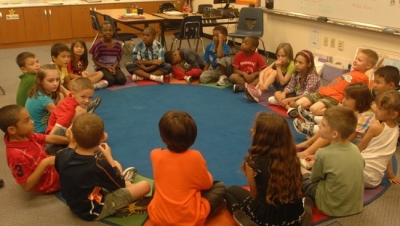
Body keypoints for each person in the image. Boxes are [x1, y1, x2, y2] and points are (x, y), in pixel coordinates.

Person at [55, 113, 151, 220]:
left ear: (72, 136)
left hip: (75, 202)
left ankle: (126, 183)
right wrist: (109, 157)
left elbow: (66, 171)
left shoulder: (60, 154)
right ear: (102, 138)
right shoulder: (99, 165)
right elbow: (119, 184)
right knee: (144, 185)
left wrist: (71, 143)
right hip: (92, 210)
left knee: (115, 169)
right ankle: (123, 204)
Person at [224, 112, 311, 226]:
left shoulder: (253, 162)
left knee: (230, 191)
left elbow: (254, 194)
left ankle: (244, 219)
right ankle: (303, 218)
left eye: (255, 128)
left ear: (262, 136)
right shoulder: (292, 157)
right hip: (293, 212)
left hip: (266, 216)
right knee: (304, 202)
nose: (252, 130)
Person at [148, 110, 227, 225]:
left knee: (157, 184)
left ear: (163, 138)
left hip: (158, 217)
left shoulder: (155, 154)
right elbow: (207, 184)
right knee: (220, 186)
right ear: (192, 138)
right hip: (188, 220)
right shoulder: (195, 157)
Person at [301, 106, 365, 217]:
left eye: (323, 125)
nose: (319, 126)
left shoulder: (323, 154)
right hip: (355, 206)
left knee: (301, 173)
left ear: (334, 134)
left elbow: (314, 179)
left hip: (329, 207)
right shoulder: (355, 148)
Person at [296, 83, 375, 166]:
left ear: (360, 102)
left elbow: (345, 140)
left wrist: (318, 155)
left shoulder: (364, 117)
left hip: (355, 146)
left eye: (347, 98)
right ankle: (308, 143)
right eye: (344, 97)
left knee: (332, 129)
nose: (343, 100)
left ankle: (308, 153)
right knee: (330, 125)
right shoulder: (356, 109)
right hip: (346, 139)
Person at [287, 49, 379, 118]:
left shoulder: (364, 78)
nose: (355, 61)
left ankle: (334, 111)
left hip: (335, 97)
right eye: (356, 58)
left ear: (368, 65)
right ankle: (310, 110)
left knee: (314, 109)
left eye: (359, 60)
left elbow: (360, 94)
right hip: (324, 91)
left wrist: (344, 104)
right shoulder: (351, 72)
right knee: (298, 103)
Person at [0, 105, 68, 193]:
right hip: (52, 181)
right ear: (12, 130)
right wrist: (45, 163)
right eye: (26, 121)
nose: (32, 122)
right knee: (82, 164)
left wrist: (70, 141)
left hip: (48, 160)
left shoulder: (26, 135)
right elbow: (26, 187)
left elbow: (48, 138)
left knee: (60, 133)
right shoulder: (16, 157)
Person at [250, 50, 321, 115]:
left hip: (308, 98)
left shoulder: (312, 76)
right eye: (296, 61)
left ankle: (282, 103)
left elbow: (307, 94)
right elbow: (290, 86)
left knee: (292, 103)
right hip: (298, 94)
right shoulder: (296, 73)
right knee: (277, 93)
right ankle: (289, 108)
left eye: (300, 63)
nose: (296, 64)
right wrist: (284, 93)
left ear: (308, 64)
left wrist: (288, 99)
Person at [358, 90, 400, 187]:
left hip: (360, 172)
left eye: (380, 108)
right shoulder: (396, 129)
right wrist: (390, 175)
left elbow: (358, 149)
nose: (376, 110)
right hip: (374, 181)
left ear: (393, 115)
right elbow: (388, 154)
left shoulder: (375, 128)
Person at [25, 64, 63, 134]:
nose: (55, 83)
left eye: (57, 79)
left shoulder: (37, 91)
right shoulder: (45, 100)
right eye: (50, 81)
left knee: (60, 96)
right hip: (40, 131)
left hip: (35, 126)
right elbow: (61, 117)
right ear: (40, 81)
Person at [90, 21, 127, 86]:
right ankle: (100, 78)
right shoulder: (98, 44)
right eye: (105, 30)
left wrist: (113, 67)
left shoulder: (118, 44)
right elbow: (94, 60)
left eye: (110, 30)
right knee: (111, 80)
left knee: (122, 80)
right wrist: (107, 68)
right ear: (101, 32)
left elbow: (118, 59)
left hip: (114, 66)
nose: (108, 32)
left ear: (113, 31)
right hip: (102, 67)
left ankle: (110, 75)